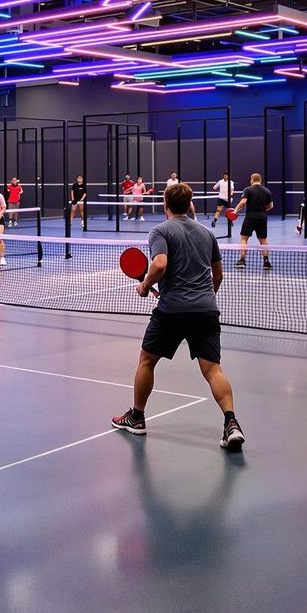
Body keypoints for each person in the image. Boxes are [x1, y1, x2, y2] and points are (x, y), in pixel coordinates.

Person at [111, 182, 244, 451]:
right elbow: (217, 275)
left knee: (147, 361)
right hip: (206, 310)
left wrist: (146, 285)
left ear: (166, 204)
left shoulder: (160, 231)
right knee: (212, 369)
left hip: (171, 311)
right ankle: (231, 423)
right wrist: (206, 297)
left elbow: (159, 264)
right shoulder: (207, 234)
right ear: (189, 204)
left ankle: (137, 418)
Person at [233, 173, 274, 270]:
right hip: (262, 217)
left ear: (252, 180)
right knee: (263, 240)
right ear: (260, 180)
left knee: (244, 239)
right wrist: (263, 211)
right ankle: (266, 261)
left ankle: (242, 261)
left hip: (250, 217)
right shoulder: (267, 191)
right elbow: (271, 206)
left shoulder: (248, 190)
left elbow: (243, 202)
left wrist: (235, 210)